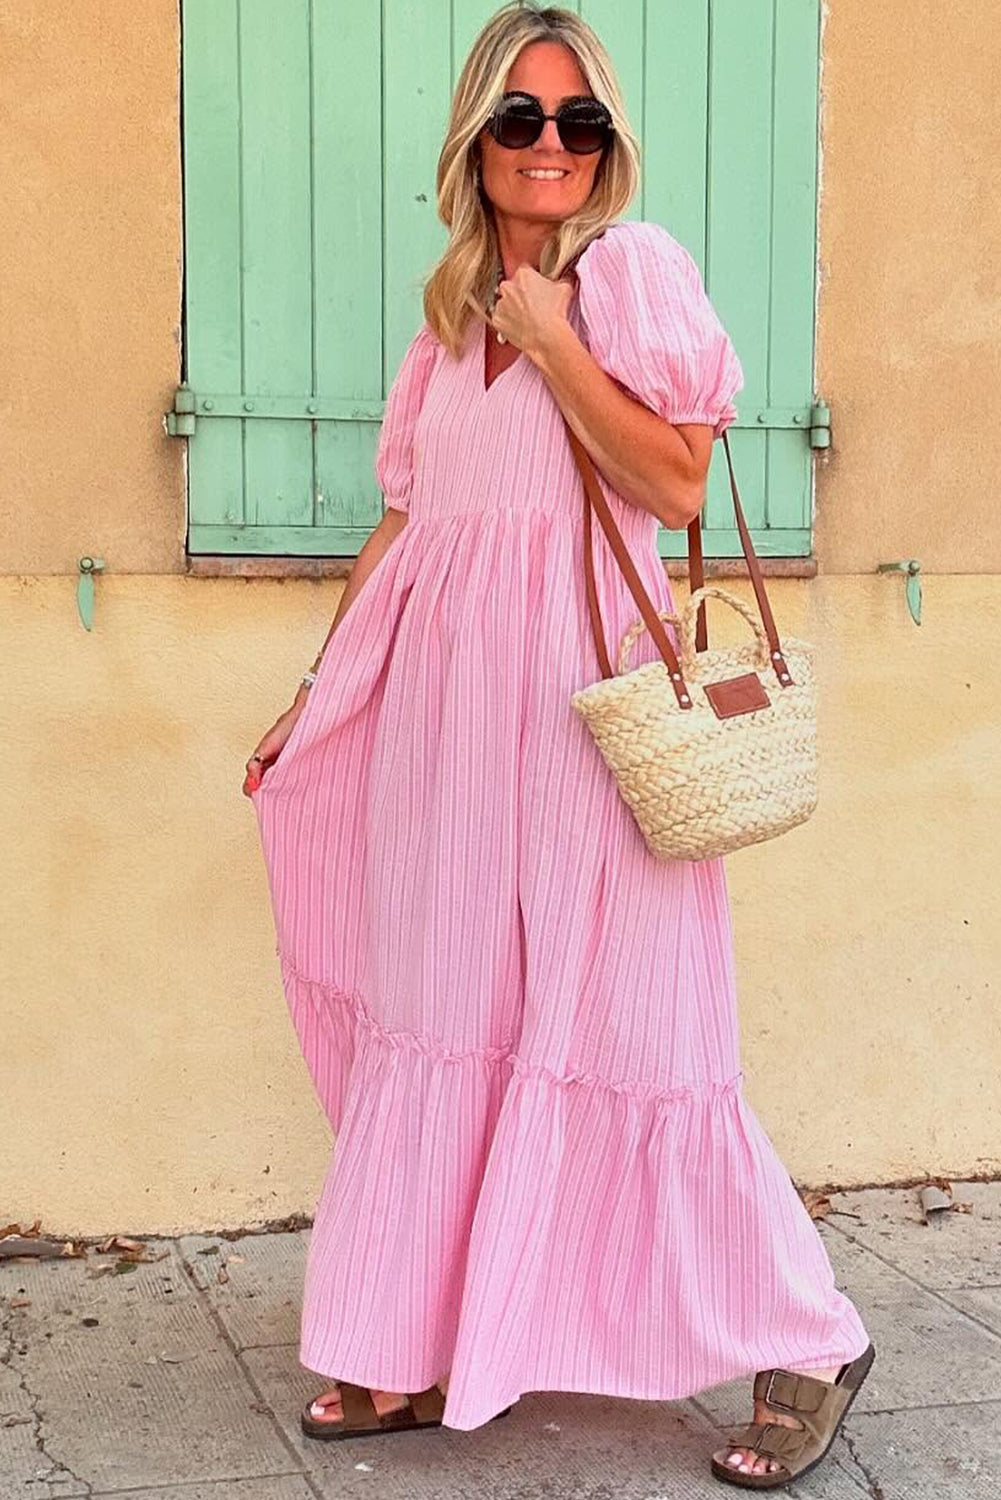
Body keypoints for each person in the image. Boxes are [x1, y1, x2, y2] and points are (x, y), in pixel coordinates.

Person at [243, 3, 874, 1488]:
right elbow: (407, 523)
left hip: (590, 718)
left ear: (607, 148)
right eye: (520, 118)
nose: (550, 144)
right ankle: (415, 1345)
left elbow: (674, 481)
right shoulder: (448, 319)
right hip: (450, 731)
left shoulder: (629, 274)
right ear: (475, 139)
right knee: (447, 1007)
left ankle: (808, 1336)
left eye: (577, 120)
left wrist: (553, 338)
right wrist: (319, 687)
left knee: (633, 1031)